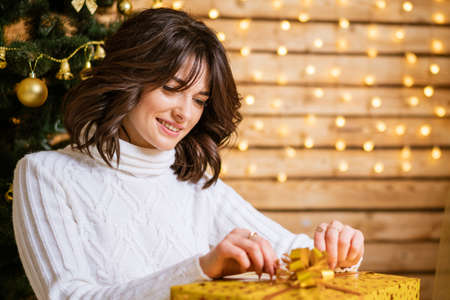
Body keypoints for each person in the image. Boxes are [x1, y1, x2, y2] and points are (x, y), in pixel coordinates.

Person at [12, 7, 364, 300]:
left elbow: (289, 251)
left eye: (199, 100)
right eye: (171, 89)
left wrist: (341, 249)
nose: (185, 113)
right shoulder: (45, 173)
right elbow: (69, 296)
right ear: (128, 78)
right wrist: (199, 270)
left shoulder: (194, 183)